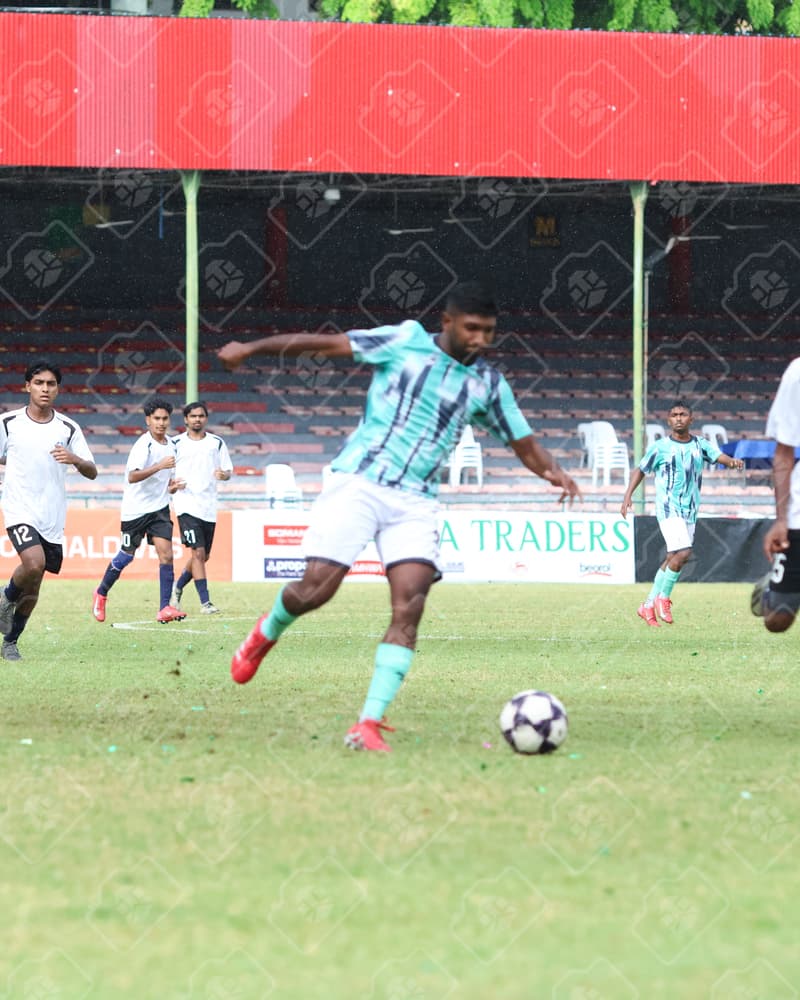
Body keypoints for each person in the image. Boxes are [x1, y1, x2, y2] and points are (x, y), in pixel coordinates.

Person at [217, 281, 581, 752]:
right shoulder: (404, 340)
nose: (480, 340)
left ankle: (367, 723)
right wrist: (250, 349)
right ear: (446, 323)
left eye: (489, 332)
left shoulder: (488, 384)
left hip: (416, 501)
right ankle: (264, 634)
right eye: (472, 329)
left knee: (410, 604)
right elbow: (325, 345)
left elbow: (524, 444)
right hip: (359, 482)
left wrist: (554, 472)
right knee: (315, 590)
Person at [0, 360, 97, 661]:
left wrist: (74, 459)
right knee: (33, 563)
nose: (45, 388)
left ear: (57, 389)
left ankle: (11, 642)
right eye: (39, 383)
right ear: (27, 385)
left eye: (50, 384)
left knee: (36, 578)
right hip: (19, 508)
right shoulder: (8, 423)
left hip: (52, 515)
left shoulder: (68, 428)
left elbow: (92, 471)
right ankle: (5, 598)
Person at [621, 400, 744, 627]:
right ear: (669, 420)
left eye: (683, 414)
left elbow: (719, 457)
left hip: (690, 510)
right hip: (668, 508)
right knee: (684, 552)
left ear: (691, 419)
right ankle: (663, 599)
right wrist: (628, 494)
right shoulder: (660, 447)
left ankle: (647, 605)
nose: (679, 418)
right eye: (674, 415)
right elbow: (640, 469)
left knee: (672, 557)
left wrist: (733, 462)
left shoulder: (700, 445)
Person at [92, 397, 186, 625]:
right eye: (157, 419)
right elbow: (132, 476)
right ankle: (101, 592)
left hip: (160, 510)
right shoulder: (143, 445)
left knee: (167, 554)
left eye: (165, 419)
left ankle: (164, 607)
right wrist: (159, 466)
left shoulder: (172, 445)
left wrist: (171, 487)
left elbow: (163, 481)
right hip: (135, 512)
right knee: (126, 556)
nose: (161, 423)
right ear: (148, 420)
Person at [170, 401, 233, 615]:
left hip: (208, 507)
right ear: (186, 419)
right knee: (197, 552)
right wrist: (172, 486)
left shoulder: (216, 443)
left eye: (201, 416)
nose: (197, 419)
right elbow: (165, 476)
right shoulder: (175, 443)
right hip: (186, 505)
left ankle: (177, 587)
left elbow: (227, 471)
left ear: (206, 418)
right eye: (193, 416)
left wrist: (224, 475)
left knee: (203, 557)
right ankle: (205, 603)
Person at [751, 357, 800, 632]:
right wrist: (780, 520)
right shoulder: (798, 373)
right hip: (798, 517)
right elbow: (783, 453)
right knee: (778, 619)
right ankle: (772, 590)